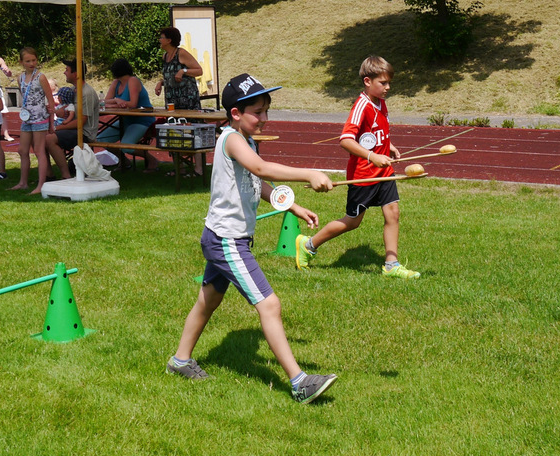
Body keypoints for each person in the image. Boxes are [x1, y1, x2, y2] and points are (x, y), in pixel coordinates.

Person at [167, 73, 338, 404]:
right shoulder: (231, 139)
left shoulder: (246, 141)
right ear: (235, 113)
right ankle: (299, 382)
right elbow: (261, 169)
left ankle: (180, 361)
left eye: (266, 111)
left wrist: (293, 206)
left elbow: (255, 184)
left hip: (225, 236)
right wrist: (309, 173)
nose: (263, 118)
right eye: (257, 112)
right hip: (226, 241)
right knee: (269, 303)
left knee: (208, 300)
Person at [296, 55, 420, 279]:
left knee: (393, 212)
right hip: (363, 175)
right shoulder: (361, 105)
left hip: (384, 171)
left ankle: (391, 265)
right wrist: (372, 156)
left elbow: (373, 133)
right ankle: (308, 245)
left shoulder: (380, 102)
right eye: (383, 83)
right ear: (367, 81)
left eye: (389, 82)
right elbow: (345, 140)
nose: (388, 87)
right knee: (353, 221)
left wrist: (388, 145)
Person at [9, 47, 56, 194]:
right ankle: (23, 182)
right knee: (22, 150)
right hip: (27, 117)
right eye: (28, 61)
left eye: (34, 60)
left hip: (40, 118)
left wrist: (51, 123)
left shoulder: (41, 77)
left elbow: (50, 100)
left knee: (39, 150)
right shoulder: (20, 78)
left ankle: (41, 185)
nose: (31, 63)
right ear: (21, 62)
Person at [45, 59, 100, 179]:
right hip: (73, 129)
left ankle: (66, 176)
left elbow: (81, 121)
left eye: (67, 70)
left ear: (76, 74)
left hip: (84, 133)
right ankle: (49, 175)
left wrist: (57, 127)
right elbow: (70, 112)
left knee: (49, 138)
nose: (64, 73)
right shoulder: (73, 91)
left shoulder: (86, 92)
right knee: (39, 136)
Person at [101, 58, 158, 171]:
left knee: (126, 145)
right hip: (125, 120)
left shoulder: (133, 81)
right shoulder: (116, 83)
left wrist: (114, 102)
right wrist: (117, 101)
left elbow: (132, 104)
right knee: (100, 139)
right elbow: (104, 102)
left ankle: (152, 160)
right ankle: (124, 161)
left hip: (141, 120)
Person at [154, 26, 203, 110]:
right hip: (172, 100)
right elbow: (171, 76)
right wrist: (161, 83)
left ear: (169, 40)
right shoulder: (165, 56)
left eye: (162, 37)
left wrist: (183, 71)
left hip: (187, 100)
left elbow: (199, 71)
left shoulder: (181, 53)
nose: (159, 40)